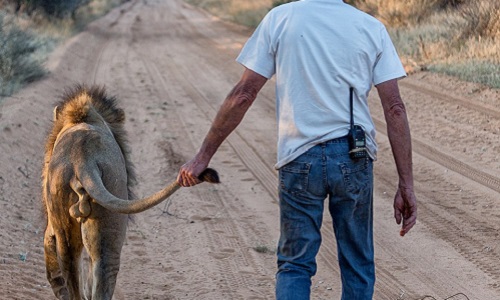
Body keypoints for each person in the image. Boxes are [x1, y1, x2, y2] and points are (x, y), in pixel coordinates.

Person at [176, 0, 417, 299]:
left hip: (299, 158)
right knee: (357, 263)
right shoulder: (370, 27)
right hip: (353, 159)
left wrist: (203, 156)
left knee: (295, 265)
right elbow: (394, 108)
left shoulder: (280, 18)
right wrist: (405, 184)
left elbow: (243, 95)